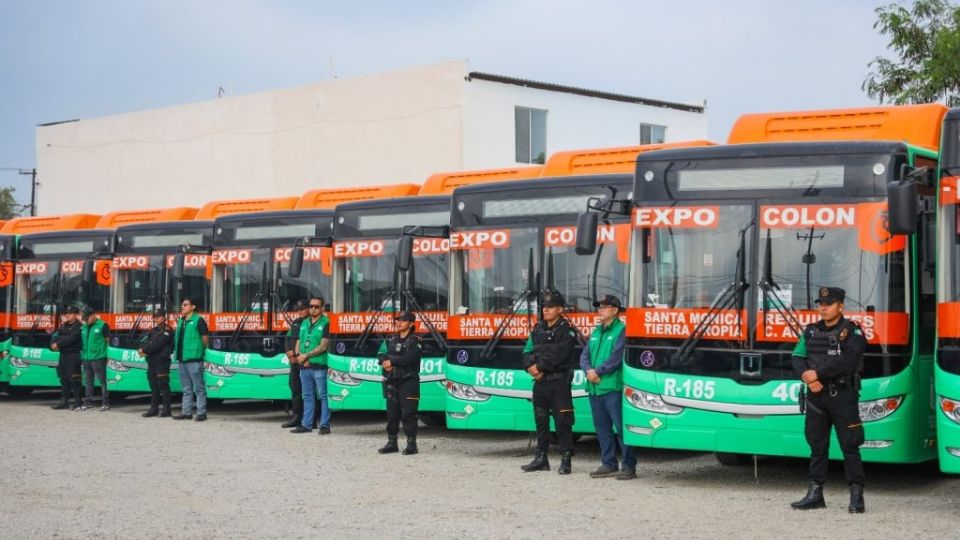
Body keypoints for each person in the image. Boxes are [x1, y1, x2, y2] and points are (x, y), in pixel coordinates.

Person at [790, 286, 868, 513]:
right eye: (820, 304)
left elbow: (848, 362)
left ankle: (856, 495)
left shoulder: (853, 333)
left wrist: (818, 374)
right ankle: (815, 493)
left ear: (841, 306)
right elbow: (796, 357)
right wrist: (808, 377)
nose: (823, 308)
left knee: (850, 445)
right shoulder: (811, 331)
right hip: (816, 396)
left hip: (843, 396)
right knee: (817, 445)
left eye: (829, 304)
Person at [520, 290, 579, 475]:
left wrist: (540, 368)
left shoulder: (566, 329)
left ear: (560, 309)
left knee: (563, 421)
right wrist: (530, 367)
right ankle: (541, 458)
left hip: (559, 383)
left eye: (550, 307)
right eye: (544, 307)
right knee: (541, 421)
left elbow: (561, 354)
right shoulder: (538, 328)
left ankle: (566, 458)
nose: (546, 310)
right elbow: (526, 351)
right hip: (540, 383)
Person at [580, 294, 636, 480]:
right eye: (599, 307)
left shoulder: (622, 330)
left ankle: (628, 466)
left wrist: (598, 372)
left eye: (604, 307)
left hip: (612, 387)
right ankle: (608, 463)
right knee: (602, 428)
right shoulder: (596, 331)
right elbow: (584, 355)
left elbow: (616, 357)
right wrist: (588, 370)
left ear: (615, 310)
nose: (600, 310)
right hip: (594, 388)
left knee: (621, 428)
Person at [376, 311, 423, 455]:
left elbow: (410, 358)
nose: (399, 322)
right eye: (398, 320)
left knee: (409, 414)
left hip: (409, 382)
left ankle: (411, 445)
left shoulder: (417, 340)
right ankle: (392, 442)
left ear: (411, 323)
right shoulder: (390, 339)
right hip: (392, 381)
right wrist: (384, 362)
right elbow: (380, 354)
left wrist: (392, 361)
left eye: (403, 320)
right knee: (392, 414)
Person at [290, 296, 331, 435]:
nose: (313, 309)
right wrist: (299, 357)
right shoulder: (304, 322)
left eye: (316, 306)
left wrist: (306, 356)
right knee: (307, 396)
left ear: (322, 308)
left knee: (324, 396)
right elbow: (298, 341)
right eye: (311, 306)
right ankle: (306, 425)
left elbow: (324, 345)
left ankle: (325, 425)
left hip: (319, 365)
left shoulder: (327, 322)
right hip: (304, 365)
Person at [172, 297, 209, 421]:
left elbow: (205, 339)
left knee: (198, 388)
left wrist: (202, 352)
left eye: (186, 305)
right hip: (182, 360)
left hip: (194, 359)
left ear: (193, 307)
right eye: (182, 305)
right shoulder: (181, 321)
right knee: (186, 388)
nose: (182, 307)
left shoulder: (199, 320)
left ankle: (201, 413)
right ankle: (186, 412)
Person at [139, 310, 174, 417]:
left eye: (159, 317)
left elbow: (157, 345)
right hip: (152, 361)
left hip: (162, 362)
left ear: (164, 317)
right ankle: (153, 409)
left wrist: (144, 351)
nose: (157, 319)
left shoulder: (168, 330)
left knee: (163, 386)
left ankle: (166, 410)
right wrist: (141, 349)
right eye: (155, 317)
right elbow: (144, 342)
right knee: (153, 386)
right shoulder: (152, 331)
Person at [281, 300, 310, 429]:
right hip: (294, 362)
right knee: (295, 388)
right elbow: (288, 338)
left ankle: (311, 420)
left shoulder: (311, 323)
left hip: (307, 361)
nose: (301, 311)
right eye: (298, 309)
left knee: (310, 392)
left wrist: (299, 357)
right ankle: (297, 417)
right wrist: (289, 354)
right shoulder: (296, 322)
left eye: (304, 308)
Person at [50, 306, 83, 410]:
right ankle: (64, 402)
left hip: (73, 355)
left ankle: (78, 402)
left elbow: (72, 338)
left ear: (76, 315)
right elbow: (55, 336)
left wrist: (59, 342)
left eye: (70, 313)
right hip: (63, 355)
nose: (67, 315)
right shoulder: (63, 326)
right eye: (66, 313)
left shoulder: (79, 326)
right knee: (63, 379)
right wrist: (53, 345)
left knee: (74, 379)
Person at [80, 307, 110, 411]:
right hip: (86, 358)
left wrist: (108, 355)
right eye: (84, 318)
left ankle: (105, 403)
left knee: (102, 381)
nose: (85, 320)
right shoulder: (84, 327)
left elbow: (108, 341)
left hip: (99, 357)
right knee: (88, 381)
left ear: (93, 315)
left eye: (87, 318)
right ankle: (88, 402)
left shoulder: (103, 325)